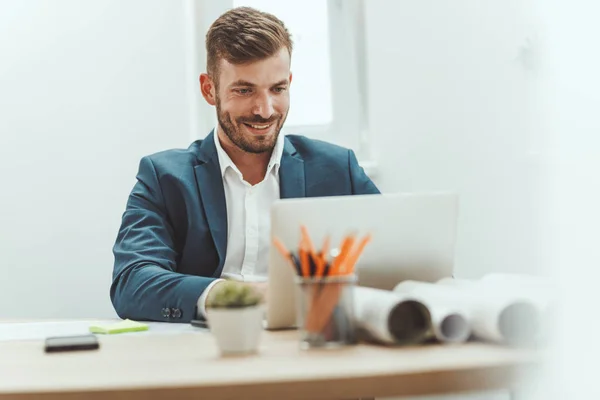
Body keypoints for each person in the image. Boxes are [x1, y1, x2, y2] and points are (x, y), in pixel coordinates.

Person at [110, 6, 380, 323]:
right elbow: (132, 283)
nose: (264, 110)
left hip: (311, 344)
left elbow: (396, 259)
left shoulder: (337, 169)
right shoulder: (164, 177)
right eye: (244, 90)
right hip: (209, 352)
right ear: (209, 89)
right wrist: (240, 298)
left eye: (277, 89)